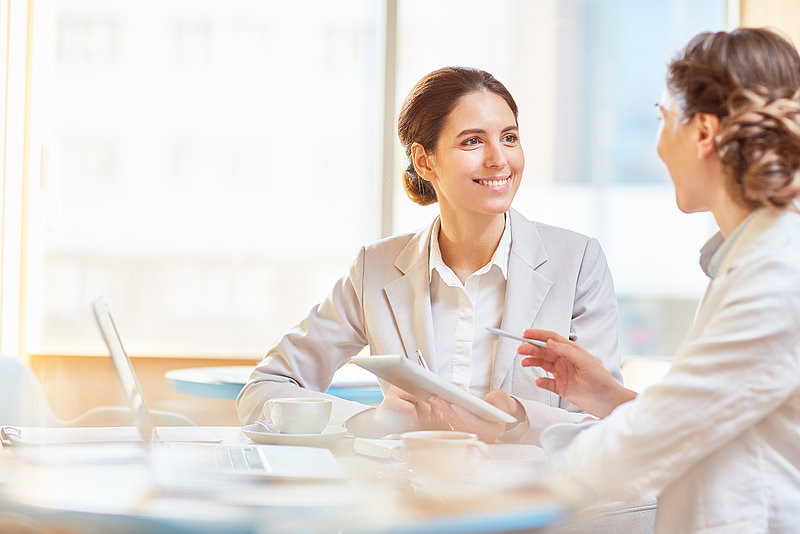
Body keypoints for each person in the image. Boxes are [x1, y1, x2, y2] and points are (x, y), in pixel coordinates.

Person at [512, 28, 800, 532]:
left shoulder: (776, 273)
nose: (659, 145)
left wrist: (496, 494)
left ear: (704, 133)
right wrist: (608, 397)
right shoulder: (750, 258)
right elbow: (714, 413)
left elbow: (652, 440)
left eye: (664, 119)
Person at [236, 66, 621, 443]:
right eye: (472, 141)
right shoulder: (377, 269)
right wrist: (371, 420)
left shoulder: (578, 261)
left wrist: (518, 419)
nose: (499, 159)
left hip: (532, 498)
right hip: (410, 497)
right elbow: (264, 389)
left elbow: (612, 424)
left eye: (509, 137)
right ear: (424, 161)